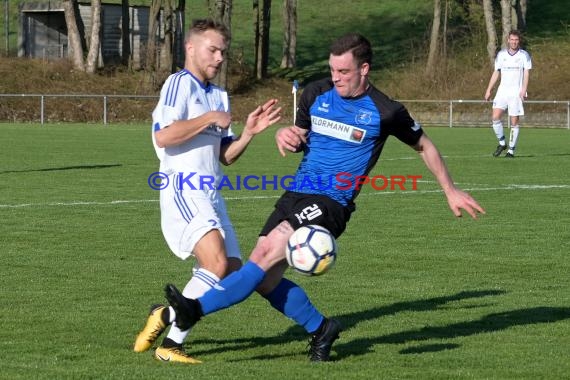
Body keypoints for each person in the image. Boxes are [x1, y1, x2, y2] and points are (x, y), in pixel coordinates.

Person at [164, 32, 486, 362]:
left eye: (344, 72)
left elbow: (425, 146)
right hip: (297, 191)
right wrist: (284, 134)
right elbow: (300, 136)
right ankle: (321, 329)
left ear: (364, 69)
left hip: (332, 202)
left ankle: (194, 309)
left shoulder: (386, 111)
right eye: (333, 70)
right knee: (265, 281)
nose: (336, 78)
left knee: (262, 253)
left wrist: (450, 190)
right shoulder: (316, 92)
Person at [133, 19, 282, 363]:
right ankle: (171, 346)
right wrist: (209, 118)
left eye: (223, 52)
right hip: (182, 186)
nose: (219, 58)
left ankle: (165, 316)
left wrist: (248, 133)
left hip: (211, 191)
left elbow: (224, 156)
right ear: (191, 48)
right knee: (214, 262)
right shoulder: (178, 84)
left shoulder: (218, 94)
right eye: (212, 49)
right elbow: (163, 136)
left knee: (231, 268)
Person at [484, 30, 532, 158]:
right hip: (502, 92)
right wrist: (489, 89)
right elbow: (496, 72)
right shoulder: (501, 55)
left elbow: (527, 74)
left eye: (516, 40)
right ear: (508, 40)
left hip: (516, 92)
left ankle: (511, 150)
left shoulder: (524, 55)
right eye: (512, 39)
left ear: (518, 41)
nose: (514, 42)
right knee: (495, 117)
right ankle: (502, 143)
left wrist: (524, 89)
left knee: (514, 121)